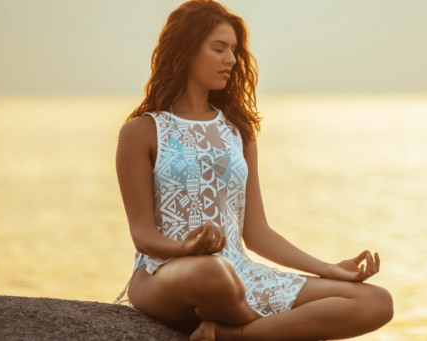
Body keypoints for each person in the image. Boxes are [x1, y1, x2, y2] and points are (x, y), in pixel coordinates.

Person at [111, 1, 393, 340]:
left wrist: (329, 269)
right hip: (164, 273)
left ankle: (236, 334)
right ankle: (262, 331)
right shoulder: (142, 131)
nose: (231, 59)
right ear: (185, 50)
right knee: (213, 271)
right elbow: (142, 234)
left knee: (376, 301)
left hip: (238, 273)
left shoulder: (238, 132)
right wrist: (186, 249)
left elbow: (256, 232)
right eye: (219, 48)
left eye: (233, 49)